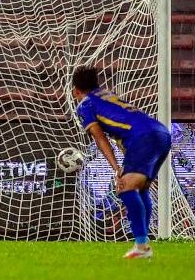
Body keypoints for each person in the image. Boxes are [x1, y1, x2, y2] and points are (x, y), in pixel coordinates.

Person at [72, 65, 172, 259]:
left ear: (76, 90)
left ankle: (142, 246)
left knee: (125, 187)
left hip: (142, 138)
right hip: (161, 133)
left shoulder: (85, 104)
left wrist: (116, 168)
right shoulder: (107, 94)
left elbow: (100, 139)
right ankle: (142, 243)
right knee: (140, 188)